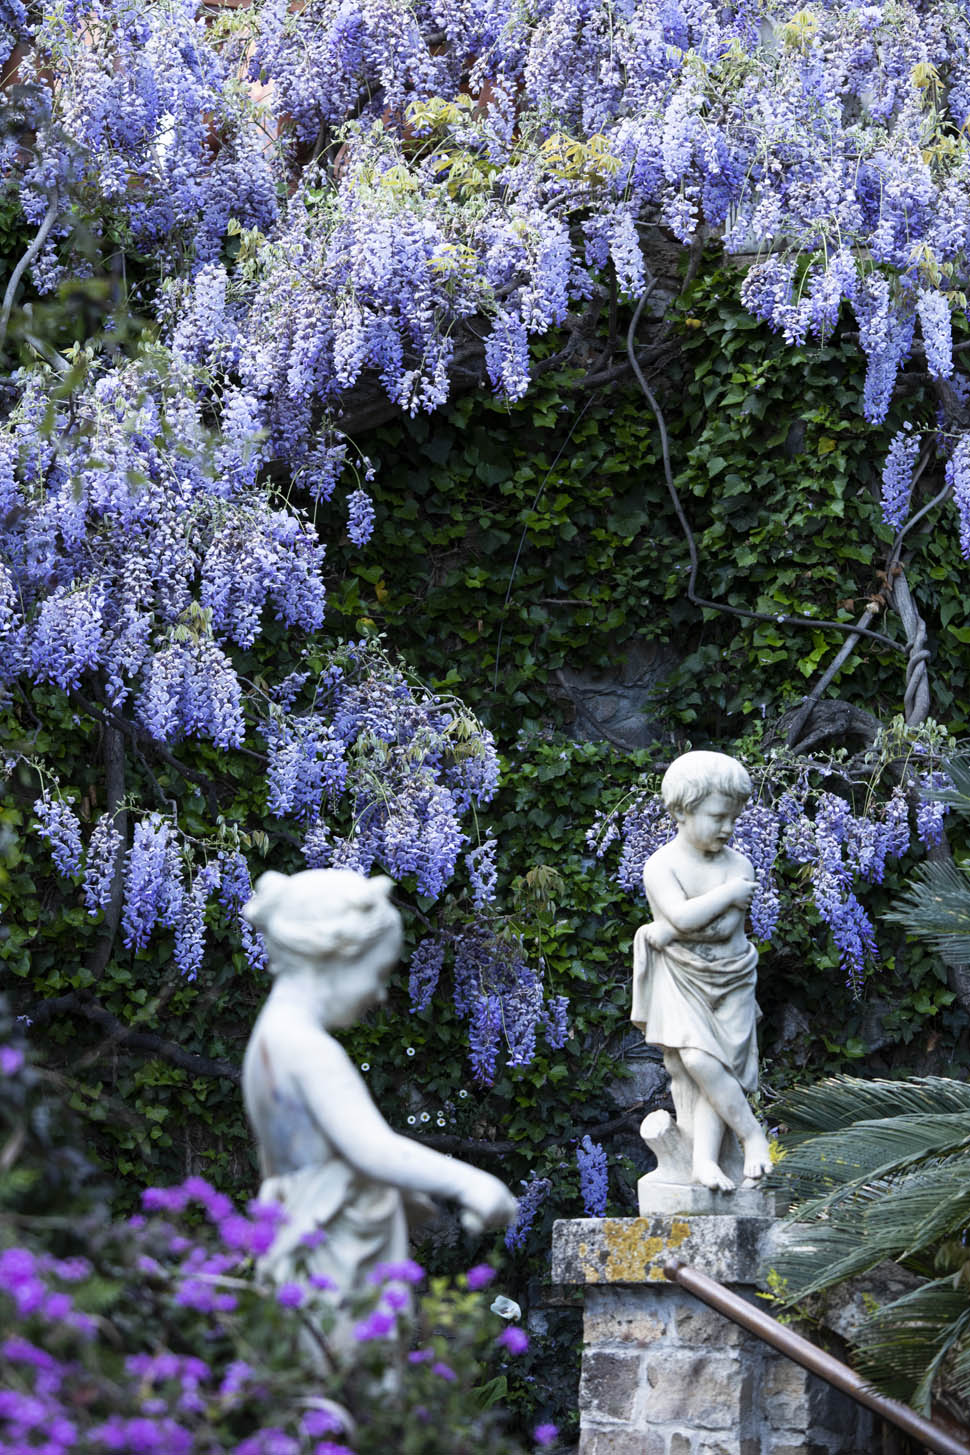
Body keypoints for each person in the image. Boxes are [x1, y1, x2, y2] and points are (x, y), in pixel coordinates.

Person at [241, 867, 517, 1347]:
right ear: (335, 955)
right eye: (378, 973)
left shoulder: (270, 1037)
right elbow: (373, 1149)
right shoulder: (307, 1049)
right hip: (332, 1250)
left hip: (296, 1230)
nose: (380, 993)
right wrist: (473, 1183)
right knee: (350, 1391)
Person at [632, 750, 772, 1192]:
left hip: (732, 976)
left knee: (719, 1068)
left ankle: (705, 1163)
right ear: (682, 810)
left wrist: (671, 929)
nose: (728, 828)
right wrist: (713, 904)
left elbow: (723, 928)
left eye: (734, 817)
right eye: (718, 817)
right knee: (696, 1059)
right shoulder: (662, 865)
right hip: (681, 977)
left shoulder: (739, 865)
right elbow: (686, 918)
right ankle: (753, 1135)